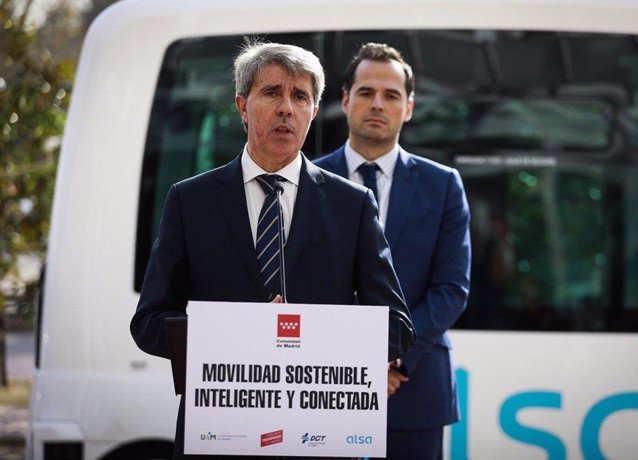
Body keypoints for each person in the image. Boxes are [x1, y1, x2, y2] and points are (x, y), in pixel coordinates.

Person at [130, 40, 415, 460]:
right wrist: (238, 335)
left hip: (319, 442)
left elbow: (398, 329)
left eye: (300, 96)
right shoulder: (190, 202)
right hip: (217, 441)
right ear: (242, 105)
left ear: (314, 112)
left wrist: (303, 338)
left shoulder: (351, 206)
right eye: (271, 93)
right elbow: (149, 322)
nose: (286, 107)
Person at [314, 43, 471, 460]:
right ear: (345, 101)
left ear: (409, 107)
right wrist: (350, 366)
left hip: (413, 387)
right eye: (365, 92)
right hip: (319, 390)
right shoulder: (306, 180)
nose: (377, 104)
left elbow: (452, 288)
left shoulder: (443, 186)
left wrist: (393, 360)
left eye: (391, 95)